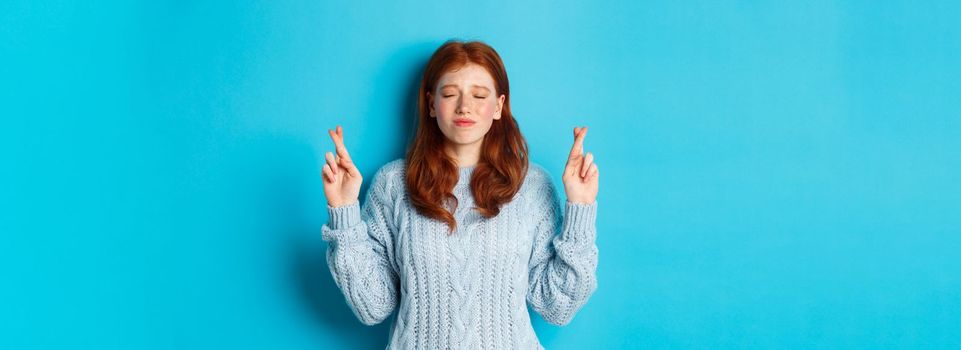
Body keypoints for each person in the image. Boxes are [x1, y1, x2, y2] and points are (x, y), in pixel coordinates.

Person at [319, 40, 599, 349]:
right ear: (430, 104)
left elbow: (556, 306)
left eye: (479, 95)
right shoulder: (393, 184)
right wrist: (344, 212)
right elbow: (372, 306)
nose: (464, 106)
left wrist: (580, 209)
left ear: (499, 106)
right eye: (450, 94)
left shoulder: (531, 186)